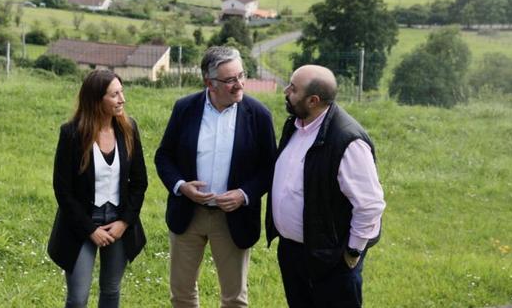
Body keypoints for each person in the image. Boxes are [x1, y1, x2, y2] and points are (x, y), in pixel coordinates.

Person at [154, 46, 276, 308]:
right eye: (229, 80)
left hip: (233, 219)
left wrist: (244, 195)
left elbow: (269, 168)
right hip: (188, 215)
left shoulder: (259, 116)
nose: (239, 84)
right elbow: (164, 156)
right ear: (209, 83)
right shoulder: (185, 108)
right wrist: (181, 186)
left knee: (234, 299)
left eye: (241, 75)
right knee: (182, 295)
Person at [266, 65, 386, 308]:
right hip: (294, 253)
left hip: (329, 258)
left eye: (293, 88)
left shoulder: (347, 140)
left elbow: (370, 205)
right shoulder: (296, 126)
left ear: (313, 100)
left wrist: (352, 251)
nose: (286, 91)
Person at [48, 69, 148, 308]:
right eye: (114, 94)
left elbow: (139, 182)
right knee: (78, 297)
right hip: (81, 223)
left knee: (111, 290)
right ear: (96, 99)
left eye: (122, 92)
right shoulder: (71, 134)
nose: (122, 99)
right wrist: (89, 229)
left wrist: (124, 222)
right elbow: (63, 189)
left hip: (118, 223)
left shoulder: (128, 129)